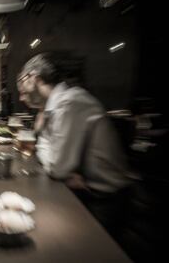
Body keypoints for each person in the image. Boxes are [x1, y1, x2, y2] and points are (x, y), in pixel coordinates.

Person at [16, 51, 135, 236]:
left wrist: (52, 156)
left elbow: (58, 167)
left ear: (34, 78)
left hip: (104, 199)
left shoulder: (70, 103)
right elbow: (51, 155)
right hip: (86, 192)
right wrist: (52, 156)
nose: (20, 97)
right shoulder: (56, 106)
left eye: (21, 85)